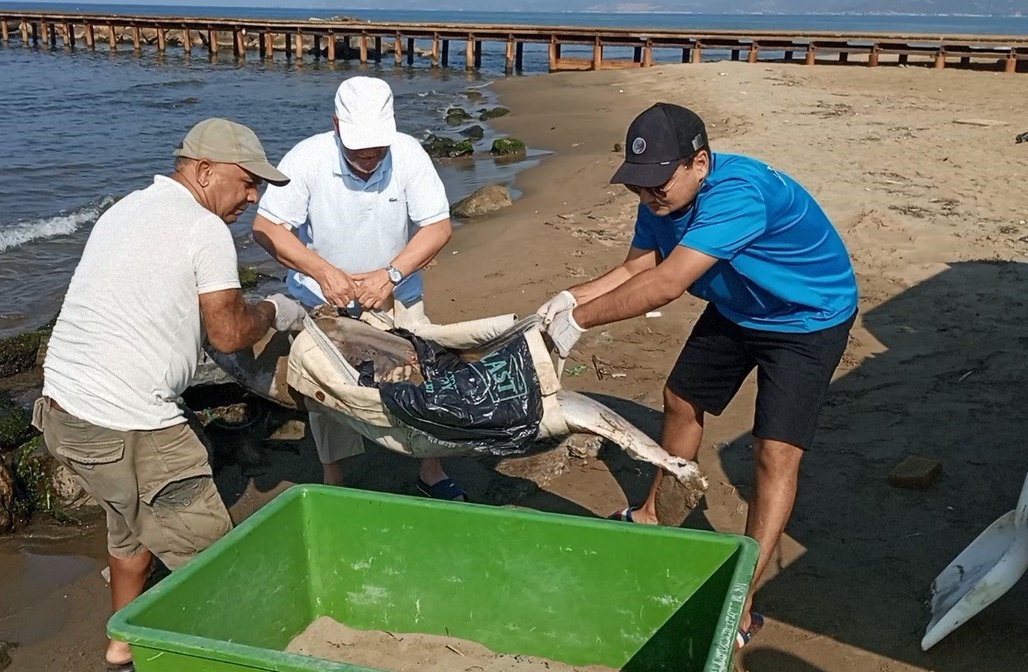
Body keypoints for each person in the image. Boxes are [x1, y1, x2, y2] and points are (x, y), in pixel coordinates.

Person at [538, 102, 858, 649]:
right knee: (681, 398)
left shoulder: (739, 194)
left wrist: (578, 323)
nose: (648, 196)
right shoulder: (660, 198)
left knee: (774, 451)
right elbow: (639, 266)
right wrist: (565, 303)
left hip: (807, 317)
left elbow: (665, 286)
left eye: (658, 184)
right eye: (638, 186)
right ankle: (652, 515)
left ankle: (743, 596)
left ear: (700, 163)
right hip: (739, 307)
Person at [34, 118, 306, 672]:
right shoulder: (203, 229)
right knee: (216, 559)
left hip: (64, 411)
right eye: (248, 181)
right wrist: (277, 309)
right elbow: (227, 332)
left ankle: (121, 643)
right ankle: (230, 657)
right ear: (204, 171)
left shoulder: (125, 208)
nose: (253, 196)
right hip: (131, 420)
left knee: (127, 521)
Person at [251, 76, 463, 501]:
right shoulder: (307, 158)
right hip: (323, 297)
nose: (368, 157)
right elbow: (266, 227)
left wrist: (392, 274)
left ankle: (431, 468)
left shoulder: (408, 154)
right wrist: (323, 271)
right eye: (357, 148)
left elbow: (437, 226)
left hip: (396, 290)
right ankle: (336, 479)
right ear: (336, 125)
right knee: (327, 390)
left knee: (423, 372)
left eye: (376, 147)